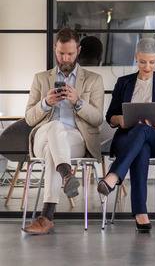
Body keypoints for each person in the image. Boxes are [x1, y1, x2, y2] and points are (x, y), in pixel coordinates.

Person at [22, 28, 105, 234]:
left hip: (76, 139)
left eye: (70, 53)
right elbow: (29, 118)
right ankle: (67, 174)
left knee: (54, 150)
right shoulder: (41, 78)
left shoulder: (93, 79)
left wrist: (78, 102)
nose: (65, 58)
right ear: (54, 49)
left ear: (78, 50)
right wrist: (45, 103)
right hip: (44, 134)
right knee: (55, 127)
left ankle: (47, 216)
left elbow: (97, 119)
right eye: (60, 53)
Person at [97, 38, 155, 232]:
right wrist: (121, 120)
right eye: (142, 62)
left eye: (151, 62)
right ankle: (141, 213)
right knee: (142, 148)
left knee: (143, 131)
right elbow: (110, 117)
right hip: (127, 138)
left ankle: (113, 176)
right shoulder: (124, 83)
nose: (147, 66)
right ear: (136, 58)